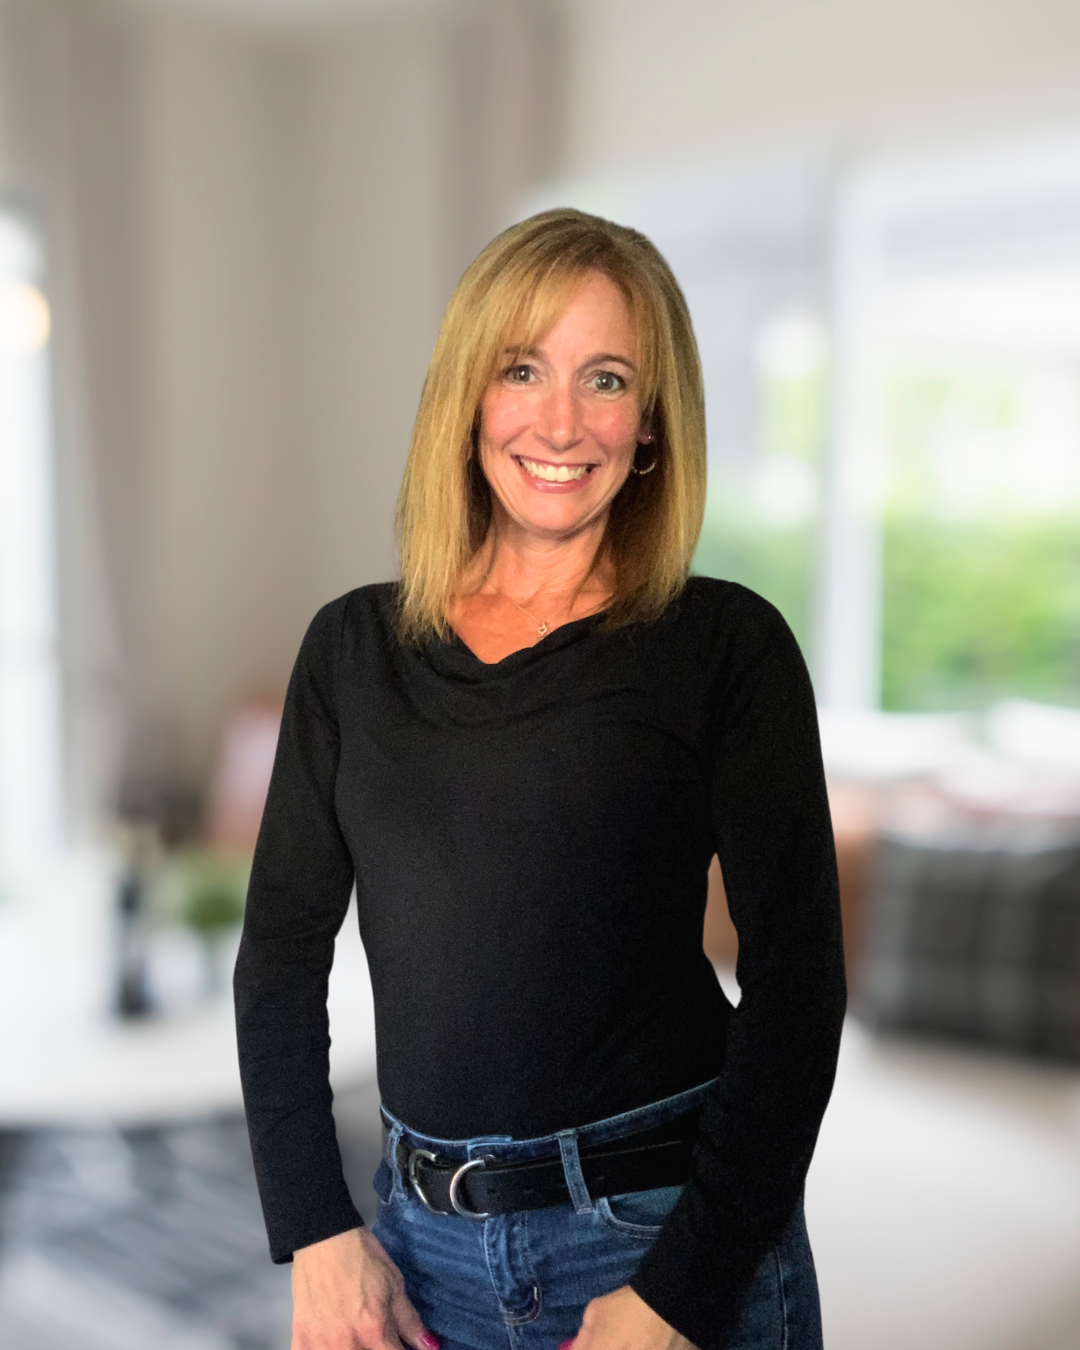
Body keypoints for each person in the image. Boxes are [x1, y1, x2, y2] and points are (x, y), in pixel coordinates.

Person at [234, 208, 846, 1350]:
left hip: (658, 1236)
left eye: (606, 378)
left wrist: (681, 1291)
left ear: (652, 422)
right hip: (419, 1254)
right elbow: (277, 957)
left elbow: (801, 988)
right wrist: (315, 1230)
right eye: (524, 369)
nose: (561, 422)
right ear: (468, 395)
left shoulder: (727, 647)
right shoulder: (350, 652)